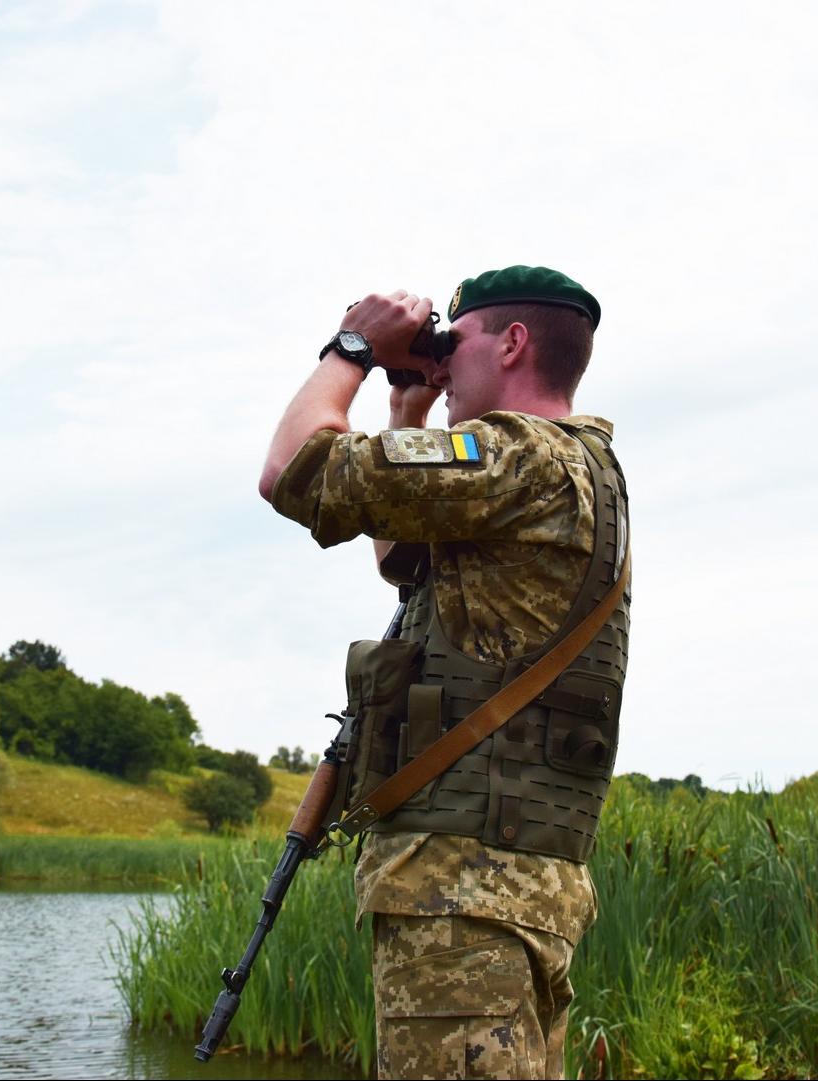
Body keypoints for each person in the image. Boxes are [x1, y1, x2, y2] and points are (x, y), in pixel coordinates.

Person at [259, 265, 630, 1080]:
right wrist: (408, 405)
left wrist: (353, 345)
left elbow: (292, 471)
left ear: (512, 343)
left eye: (452, 344)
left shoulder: (516, 457)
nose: (440, 361)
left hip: (462, 894)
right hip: (521, 887)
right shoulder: (580, 468)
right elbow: (402, 559)